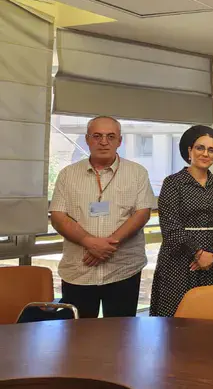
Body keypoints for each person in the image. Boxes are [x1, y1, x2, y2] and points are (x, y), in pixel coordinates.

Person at [50, 116, 155, 318]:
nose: (104, 141)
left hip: (123, 269)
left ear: (120, 141)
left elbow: (142, 213)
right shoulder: (67, 175)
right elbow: (58, 216)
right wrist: (89, 241)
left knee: (121, 335)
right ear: (87, 139)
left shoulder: (137, 173)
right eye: (97, 136)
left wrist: (106, 245)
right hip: (79, 270)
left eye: (110, 136)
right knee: (78, 336)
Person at [149, 125, 213, 317]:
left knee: (212, 318)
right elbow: (170, 227)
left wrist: (211, 255)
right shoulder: (173, 183)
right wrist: (197, 253)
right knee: (177, 320)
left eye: (211, 150)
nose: (205, 154)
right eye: (200, 148)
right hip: (179, 260)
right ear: (189, 150)